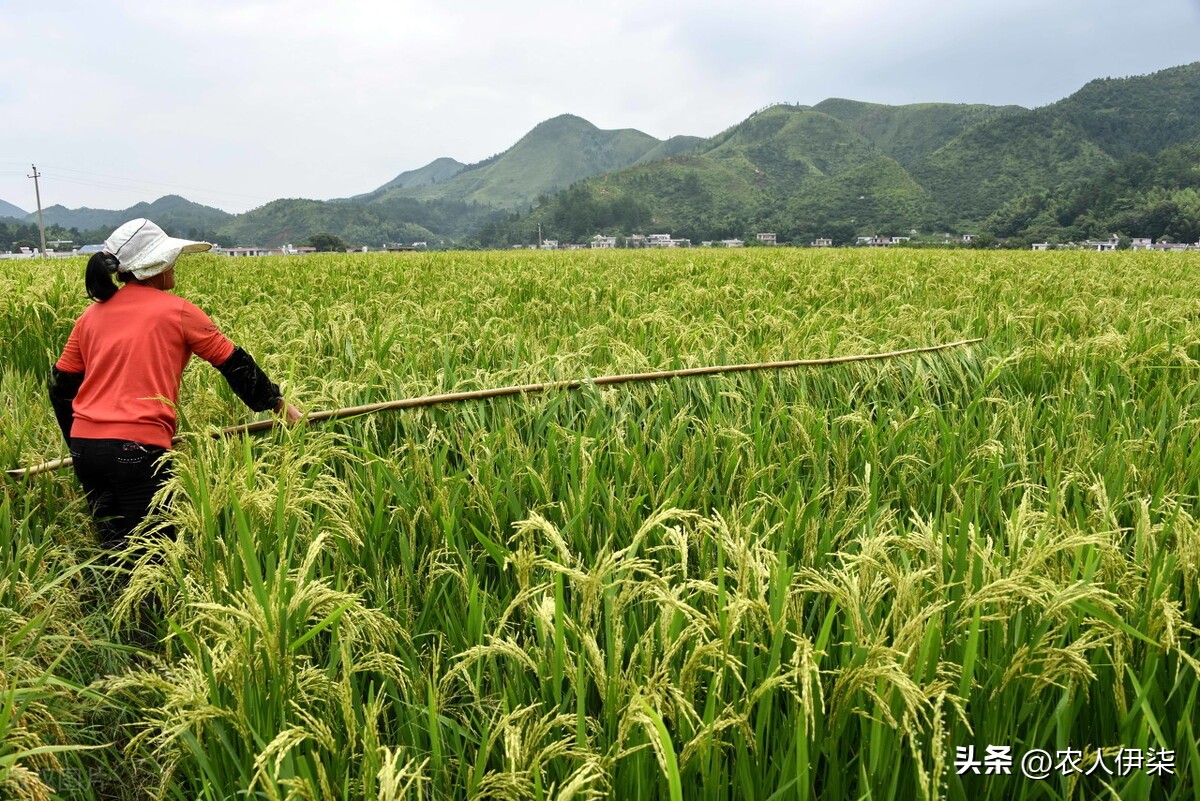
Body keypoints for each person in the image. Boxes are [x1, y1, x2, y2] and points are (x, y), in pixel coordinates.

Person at [48, 218, 303, 549]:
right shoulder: (178, 311)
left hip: (86, 447)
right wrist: (280, 406)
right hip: (136, 449)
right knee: (154, 556)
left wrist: (80, 442)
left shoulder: (90, 317)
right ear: (156, 264)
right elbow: (234, 364)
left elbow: (60, 386)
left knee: (113, 550)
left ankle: (107, 599)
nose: (175, 264)